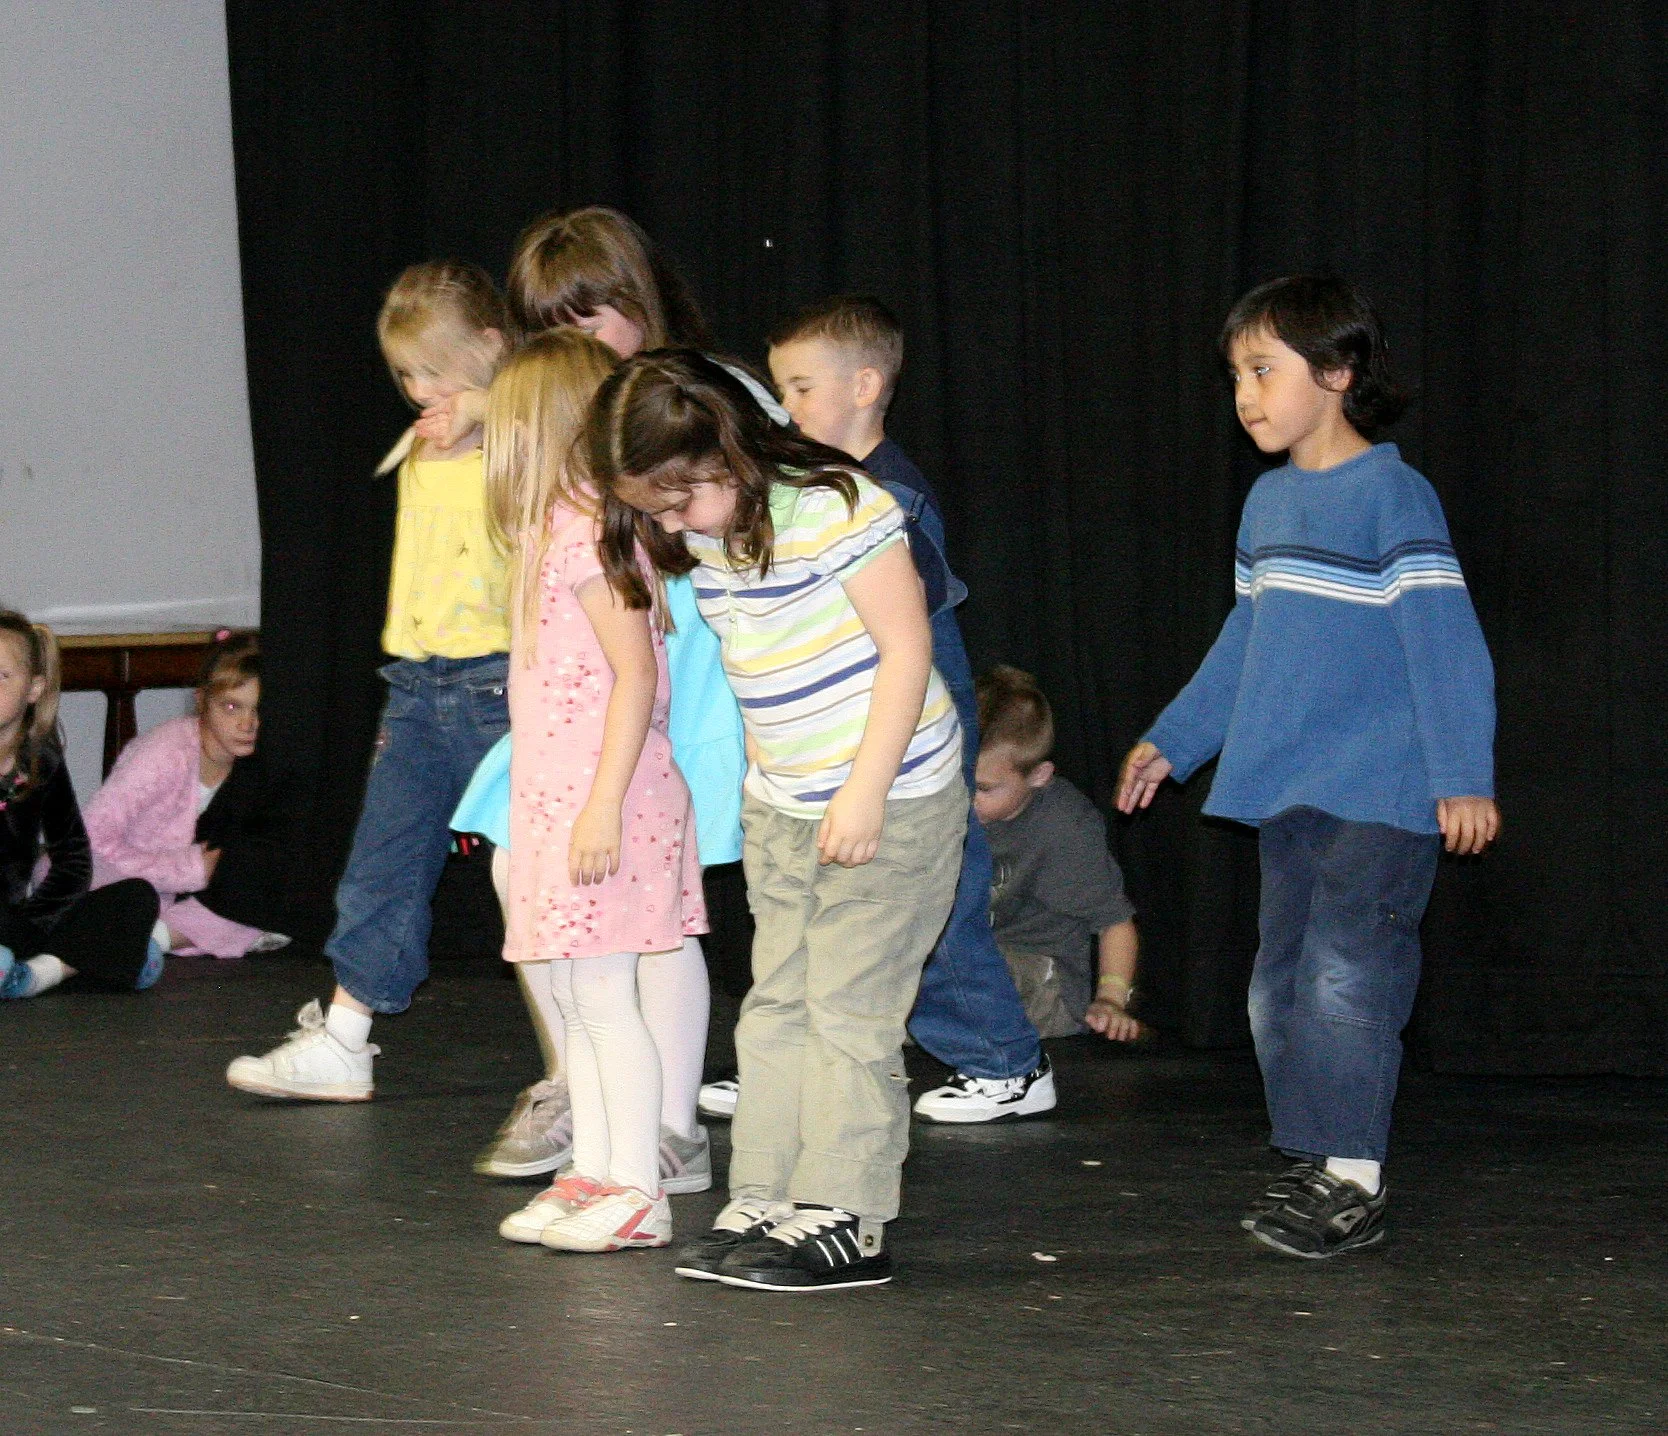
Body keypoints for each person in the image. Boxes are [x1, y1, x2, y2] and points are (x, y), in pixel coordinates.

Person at [1117, 275, 1499, 1260]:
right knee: (1277, 978)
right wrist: (1177, 735)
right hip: (1289, 781)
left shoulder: (1391, 493)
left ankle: (1351, 1175)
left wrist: (1462, 772)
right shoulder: (1269, 500)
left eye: (1263, 369)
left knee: (1346, 970)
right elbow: (1248, 636)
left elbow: (1445, 639)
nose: (1244, 393)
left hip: (1384, 784)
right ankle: (1315, 1154)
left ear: (1335, 372)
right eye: (1236, 373)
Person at [594, 350, 965, 1292]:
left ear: (729, 451)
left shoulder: (840, 508)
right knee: (777, 1006)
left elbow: (907, 647)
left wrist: (865, 790)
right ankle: (768, 1192)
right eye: (653, 507)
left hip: (890, 798)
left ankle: (847, 1213)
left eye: (680, 498)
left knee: (850, 1013)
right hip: (787, 805)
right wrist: (771, 787)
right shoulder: (712, 533)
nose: (669, 523)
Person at [448, 208, 758, 1183]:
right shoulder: (559, 453)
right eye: (551, 328)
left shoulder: (698, 396)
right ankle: (584, 1084)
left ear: (637, 302)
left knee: (653, 908)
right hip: (577, 697)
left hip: (691, 672)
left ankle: (664, 1123)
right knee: (522, 867)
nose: (574, 345)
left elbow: (749, 510)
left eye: (591, 319)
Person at [696, 293, 1048, 1126]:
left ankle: (1007, 1061)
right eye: (777, 391)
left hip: (909, 713)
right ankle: (804, 1057)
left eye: (801, 388)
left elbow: (901, 631)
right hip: (840, 726)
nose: (786, 409)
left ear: (864, 385)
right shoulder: (814, 487)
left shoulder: (886, 496)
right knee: (821, 903)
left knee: (930, 896)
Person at [227, 260, 513, 1101]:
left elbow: (557, 414)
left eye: (437, 369)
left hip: (499, 688)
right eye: (406, 374)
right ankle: (346, 1035)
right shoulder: (421, 448)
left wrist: (489, 407)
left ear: (492, 349)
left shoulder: (523, 440)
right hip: (418, 687)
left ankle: (592, 1067)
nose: (420, 389)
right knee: (381, 860)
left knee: (537, 880)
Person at [470, 329, 708, 1253]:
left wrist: (604, 802)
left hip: (609, 802)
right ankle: (595, 1174)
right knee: (575, 999)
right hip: (557, 802)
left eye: (506, 430)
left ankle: (635, 1189)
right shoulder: (545, 537)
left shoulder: (591, 539)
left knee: (609, 1000)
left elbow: (638, 677)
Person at [84, 633, 289, 959]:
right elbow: (91, 838)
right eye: (231, 707)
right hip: (115, 876)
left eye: (259, 710)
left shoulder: (261, 763)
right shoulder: (166, 752)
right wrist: (187, 870)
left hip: (180, 896)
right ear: (202, 701)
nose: (247, 724)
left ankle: (154, 939)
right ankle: (146, 937)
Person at [0, 610, 164, 998]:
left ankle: (36, 974)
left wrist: (36, 922)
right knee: (129, 951)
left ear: (34, 689)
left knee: (137, 897)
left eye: (1, 677)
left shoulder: (40, 757)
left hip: (17, 923)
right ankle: (86, 965)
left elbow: (72, 857)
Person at [973, 666, 1141, 1042]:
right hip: (968, 957)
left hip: (1043, 981)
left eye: (983, 788)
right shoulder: (943, 805)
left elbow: (1115, 920)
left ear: (1038, 775)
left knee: (963, 964)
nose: (967, 799)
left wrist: (1111, 1001)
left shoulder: (1065, 823)